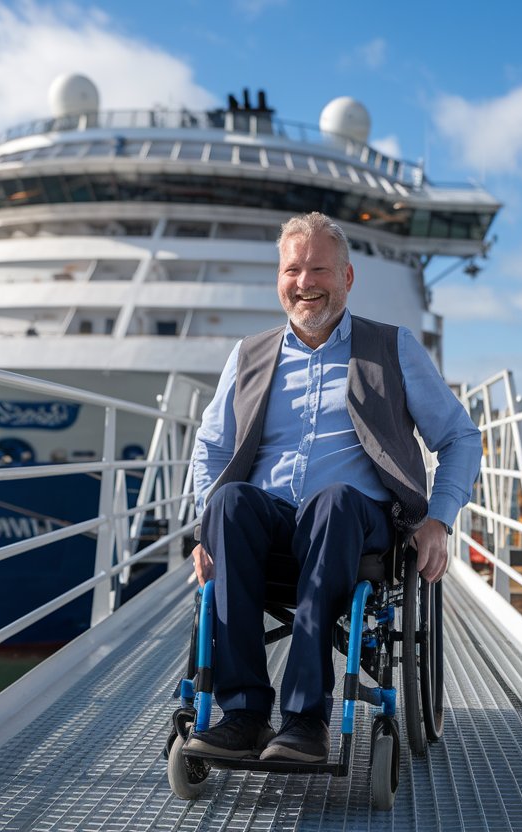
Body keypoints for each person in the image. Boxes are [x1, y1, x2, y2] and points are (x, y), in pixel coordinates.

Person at [185, 212, 481, 764]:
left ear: (346, 278)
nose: (304, 283)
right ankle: (244, 714)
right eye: (292, 269)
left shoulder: (392, 348)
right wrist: (206, 533)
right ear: (279, 277)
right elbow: (213, 449)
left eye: (319, 269)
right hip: (272, 521)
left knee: (335, 500)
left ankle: (304, 721)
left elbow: (460, 437)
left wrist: (439, 520)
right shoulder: (248, 355)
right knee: (225, 503)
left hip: (357, 521)